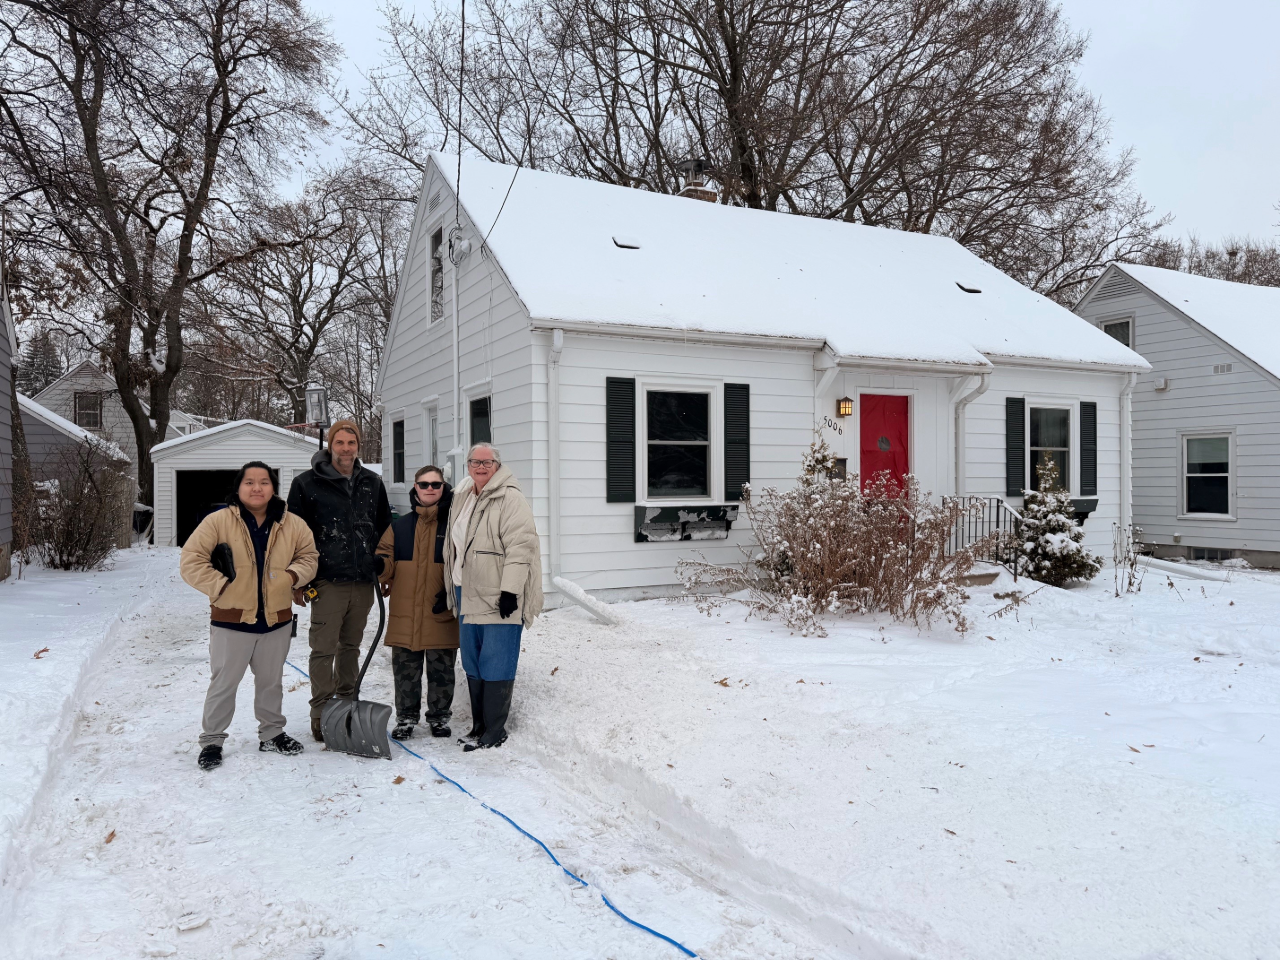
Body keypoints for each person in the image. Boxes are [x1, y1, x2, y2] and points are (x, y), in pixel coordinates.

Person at [180, 461, 318, 771]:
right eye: (250, 482)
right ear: (239, 487)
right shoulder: (217, 522)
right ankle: (212, 740)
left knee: (271, 682)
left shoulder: (292, 523)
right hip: (231, 620)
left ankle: (271, 733)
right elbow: (191, 561)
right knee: (224, 683)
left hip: (276, 620)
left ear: (273, 487)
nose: (257, 488)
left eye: (264, 482)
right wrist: (221, 585)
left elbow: (309, 556)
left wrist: (293, 576)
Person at [287, 419, 392, 742]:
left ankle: (346, 706)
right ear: (330, 445)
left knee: (351, 647)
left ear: (358, 445)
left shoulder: (372, 483)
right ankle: (321, 712)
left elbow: (385, 529)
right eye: (340, 443)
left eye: (351, 443)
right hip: (327, 579)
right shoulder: (307, 484)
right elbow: (294, 535)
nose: (346, 449)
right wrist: (298, 579)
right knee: (323, 648)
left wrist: (385, 569)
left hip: (363, 581)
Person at [443, 443, 543, 751]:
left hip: (499, 594)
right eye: (475, 462)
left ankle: (495, 730)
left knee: (496, 659)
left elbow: (521, 546)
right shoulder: (464, 496)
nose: (481, 467)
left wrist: (511, 591)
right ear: (468, 466)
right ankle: (479, 726)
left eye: (488, 462)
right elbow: (453, 546)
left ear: (498, 465)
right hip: (466, 589)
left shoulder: (510, 498)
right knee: (473, 659)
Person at [375, 465, 458, 740]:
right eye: (425, 484)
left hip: (440, 611)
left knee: (441, 670)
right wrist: (379, 564)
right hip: (405, 611)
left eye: (436, 484)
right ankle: (406, 717)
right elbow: (386, 561)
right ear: (416, 487)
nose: (430, 489)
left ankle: (439, 718)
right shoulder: (400, 526)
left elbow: (464, 565)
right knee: (405, 670)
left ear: (443, 487)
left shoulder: (455, 525)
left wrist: (451, 593)